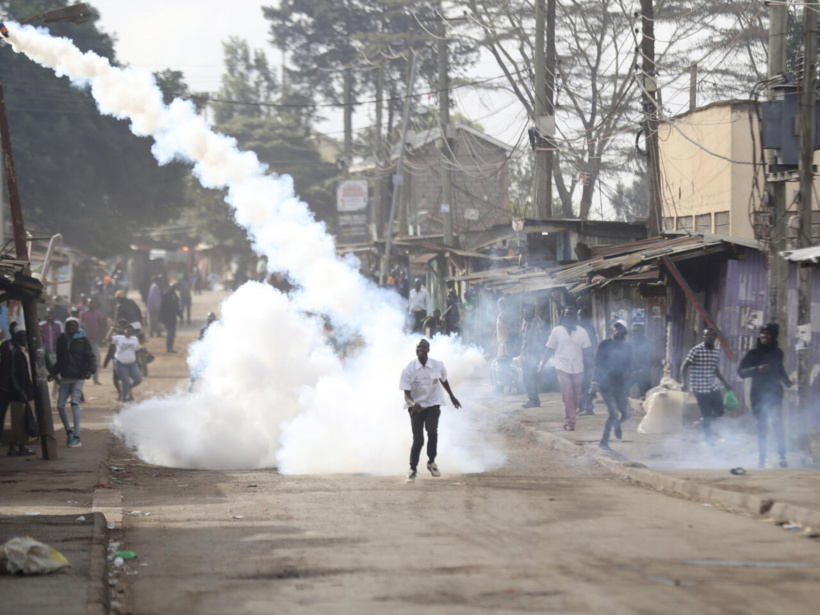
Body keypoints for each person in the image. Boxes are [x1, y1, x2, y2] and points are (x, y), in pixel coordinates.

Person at [400, 339, 461, 483]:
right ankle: (412, 469)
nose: (420, 349)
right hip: (416, 408)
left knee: (432, 432)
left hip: (433, 404)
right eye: (418, 347)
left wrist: (452, 396)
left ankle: (431, 462)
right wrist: (413, 404)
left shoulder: (437, 365)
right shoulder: (409, 369)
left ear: (428, 349)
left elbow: (443, 380)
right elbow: (406, 394)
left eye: (423, 347)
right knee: (418, 439)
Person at [738, 323, 791, 468]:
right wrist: (757, 369)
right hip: (758, 395)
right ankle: (762, 459)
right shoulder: (753, 353)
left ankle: (782, 456)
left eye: (767, 333)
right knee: (762, 426)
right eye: (762, 333)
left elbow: (780, 370)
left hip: (774, 392)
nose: (764, 336)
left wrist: (787, 382)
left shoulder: (778, 353)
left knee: (777, 422)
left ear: (773, 336)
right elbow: (741, 372)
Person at [540, 307, 592, 431]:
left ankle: (570, 416)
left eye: (572, 315)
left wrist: (591, 368)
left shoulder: (582, 332)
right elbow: (549, 349)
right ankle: (570, 422)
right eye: (567, 314)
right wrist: (542, 365)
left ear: (575, 317)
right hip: (562, 367)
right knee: (567, 394)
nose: (570, 317)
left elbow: (587, 352)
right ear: (564, 316)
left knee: (576, 397)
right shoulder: (557, 331)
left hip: (578, 368)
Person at [680, 327, 733, 444]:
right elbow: (685, 366)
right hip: (699, 387)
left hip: (712, 386)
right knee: (707, 413)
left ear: (715, 338)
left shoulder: (716, 351)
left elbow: (715, 370)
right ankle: (708, 438)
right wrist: (684, 382)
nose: (708, 337)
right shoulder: (696, 350)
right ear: (703, 337)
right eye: (706, 335)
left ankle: (704, 422)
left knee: (720, 411)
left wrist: (725, 383)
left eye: (711, 335)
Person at [51, 317, 96, 448]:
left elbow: (91, 357)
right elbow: (60, 359)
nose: (71, 328)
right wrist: (53, 372)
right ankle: (68, 432)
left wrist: (90, 370)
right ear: (65, 326)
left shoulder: (83, 340)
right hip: (65, 378)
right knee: (60, 406)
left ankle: (76, 436)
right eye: (69, 325)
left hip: (78, 377)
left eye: (74, 325)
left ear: (78, 327)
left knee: (75, 403)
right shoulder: (61, 339)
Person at [590, 320, 633, 450]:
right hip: (605, 383)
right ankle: (604, 442)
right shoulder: (604, 344)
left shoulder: (628, 347)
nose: (617, 330)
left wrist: (628, 372)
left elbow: (628, 365)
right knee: (613, 413)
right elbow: (597, 364)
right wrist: (594, 383)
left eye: (620, 328)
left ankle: (617, 424)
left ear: (625, 332)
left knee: (626, 414)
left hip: (619, 384)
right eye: (615, 327)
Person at [8, 327, 36, 456]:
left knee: (24, 420)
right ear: (17, 339)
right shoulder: (16, 353)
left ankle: (21, 446)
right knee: (18, 421)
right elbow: (12, 374)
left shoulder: (25, 351)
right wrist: (19, 390)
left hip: (26, 390)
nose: (24, 340)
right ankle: (14, 447)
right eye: (22, 338)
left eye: (25, 337)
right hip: (18, 393)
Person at [518, 303, 547, 408]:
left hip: (533, 355)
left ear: (533, 311)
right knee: (527, 378)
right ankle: (533, 399)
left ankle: (533, 400)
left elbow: (541, 339)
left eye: (527, 311)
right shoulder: (524, 321)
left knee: (531, 378)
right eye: (524, 311)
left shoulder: (537, 322)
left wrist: (538, 355)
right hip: (525, 354)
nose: (525, 313)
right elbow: (523, 340)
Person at [109, 323, 143, 402]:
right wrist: (111, 330)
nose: (129, 333)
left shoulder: (134, 339)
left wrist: (143, 350)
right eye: (127, 331)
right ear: (125, 331)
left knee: (138, 379)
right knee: (125, 380)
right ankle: (123, 398)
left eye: (130, 331)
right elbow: (108, 339)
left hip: (131, 364)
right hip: (121, 363)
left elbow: (137, 348)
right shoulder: (119, 338)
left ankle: (128, 386)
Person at [577, 308, 598, 415]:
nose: (580, 318)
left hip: (586, 361)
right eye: (579, 316)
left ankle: (588, 407)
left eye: (582, 316)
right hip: (578, 361)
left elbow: (593, 345)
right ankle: (581, 406)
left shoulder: (589, 329)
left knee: (585, 384)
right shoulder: (576, 329)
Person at [80, 298, 105, 385]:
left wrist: (101, 337)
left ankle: (96, 379)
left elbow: (101, 326)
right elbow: (80, 326)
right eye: (90, 303)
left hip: (94, 339)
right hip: (85, 340)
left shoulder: (97, 314)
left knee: (95, 360)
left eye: (93, 303)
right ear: (87, 304)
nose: (92, 305)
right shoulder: (83, 313)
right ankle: (81, 378)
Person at [629, 324, 655, 398]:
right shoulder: (629, 344)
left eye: (638, 331)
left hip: (643, 374)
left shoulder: (647, 345)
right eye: (634, 332)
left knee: (646, 396)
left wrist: (641, 371)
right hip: (631, 373)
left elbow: (650, 361)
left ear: (642, 332)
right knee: (623, 391)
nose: (636, 333)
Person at [159, 283, 183, 353]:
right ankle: (169, 347)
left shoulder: (173, 296)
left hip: (172, 318)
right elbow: (162, 308)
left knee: (172, 333)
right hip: (168, 318)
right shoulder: (167, 296)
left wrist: (181, 316)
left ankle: (170, 347)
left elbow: (177, 308)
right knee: (171, 333)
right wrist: (160, 319)